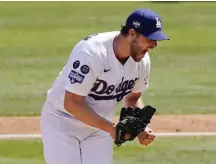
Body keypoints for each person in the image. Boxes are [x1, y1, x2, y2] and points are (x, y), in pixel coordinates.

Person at [40, 8, 169, 164]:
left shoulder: (142, 61)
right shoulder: (92, 53)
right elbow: (72, 102)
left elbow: (134, 97)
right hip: (62, 122)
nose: (154, 44)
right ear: (132, 33)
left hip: (99, 126)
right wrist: (111, 129)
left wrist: (140, 127)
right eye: (150, 38)